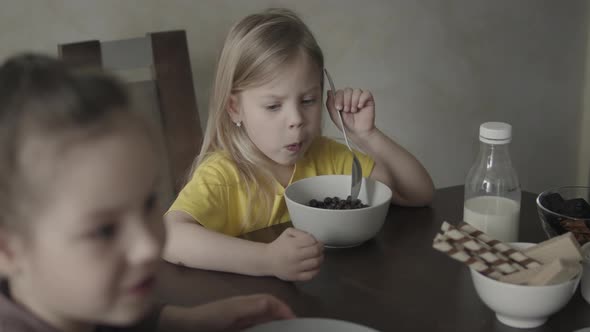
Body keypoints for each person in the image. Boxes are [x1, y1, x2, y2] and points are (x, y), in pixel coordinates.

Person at [0, 53, 294, 332]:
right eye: (104, 230)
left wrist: (183, 321)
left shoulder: (72, 305)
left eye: (149, 203)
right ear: (8, 249)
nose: (148, 246)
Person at [163, 8, 434, 281]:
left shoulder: (328, 156)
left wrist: (366, 135)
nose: (296, 120)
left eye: (307, 101)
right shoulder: (223, 175)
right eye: (273, 106)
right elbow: (170, 237)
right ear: (235, 108)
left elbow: (416, 193)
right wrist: (266, 260)